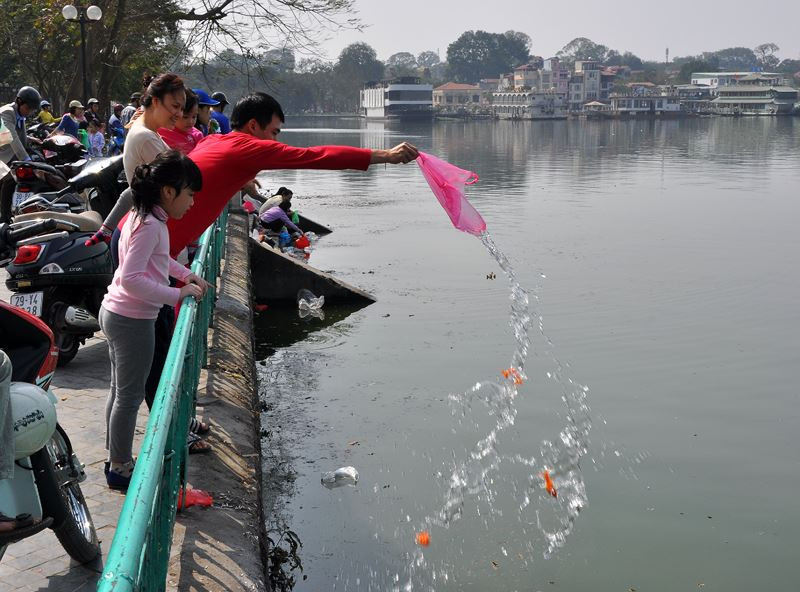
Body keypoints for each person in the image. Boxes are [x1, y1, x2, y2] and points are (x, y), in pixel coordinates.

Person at [89, 92, 418, 259]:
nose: (276, 141)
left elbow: (212, 171)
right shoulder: (249, 147)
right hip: (147, 246)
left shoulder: (219, 140)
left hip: (134, 234)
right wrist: (383, 155)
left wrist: (241, 179)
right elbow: (315, 156)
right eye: (273, 132)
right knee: (154, 358)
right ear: (253, 127)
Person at [99, 150, 208, 490]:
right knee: (129, 396)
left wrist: (186, 274)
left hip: (116, 313)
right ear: (169, 191)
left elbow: (160, 262)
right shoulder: (150, 225)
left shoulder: (145, 217)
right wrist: (178, 295)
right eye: (189, 194)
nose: (191, 203)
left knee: (120, 391)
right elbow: (132, 278)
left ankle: (114, 456)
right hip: (132, 320)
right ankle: (120, 466)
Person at [0, 86, 41, 223]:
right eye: (28, 108)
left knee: (10, 182)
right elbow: (12, 138)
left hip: (7, 155)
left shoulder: (20, 115)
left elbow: (21, 137)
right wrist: (26, 159)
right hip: (3, 156)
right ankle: (3, 217)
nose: (29, 112)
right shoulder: (6, 112)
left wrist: (34, 140)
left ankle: (5, 215)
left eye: (32, 110)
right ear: (19, 101)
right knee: (9, 179)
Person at [158, 89, 203, 154]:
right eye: (185, 117)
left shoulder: (197, 136)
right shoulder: (161, 130)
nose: (190, 121)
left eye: (194, 117)